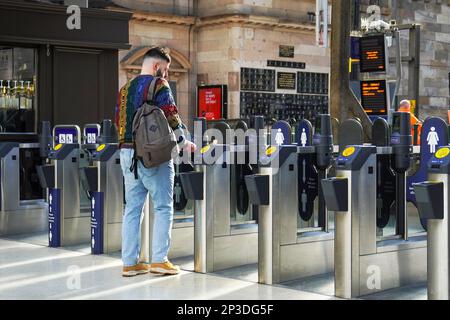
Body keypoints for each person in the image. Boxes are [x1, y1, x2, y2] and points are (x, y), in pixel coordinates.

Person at [115, 47, 196, 277]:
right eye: (166, 69)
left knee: (132, 209)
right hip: (153, 155)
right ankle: (159, 260)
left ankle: (130, 263)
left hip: (127, 154)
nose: (167, 74)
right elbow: (172, 115)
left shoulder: (124, 90)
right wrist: (184, 143)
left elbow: (118, 121)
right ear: (156, 67)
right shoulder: (159, 85)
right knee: (162, 206)